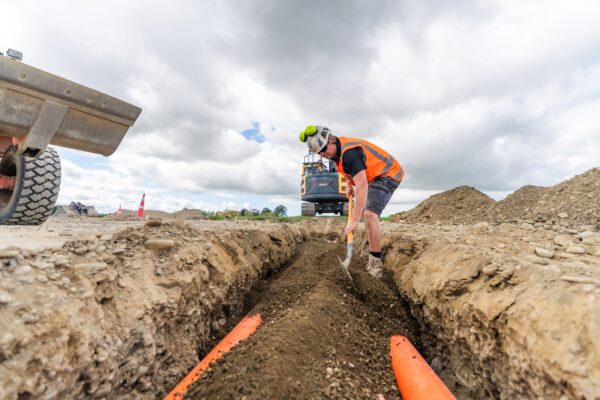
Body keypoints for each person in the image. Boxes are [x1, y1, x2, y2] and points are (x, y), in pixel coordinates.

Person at [299, 125, 404, 278]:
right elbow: (346, 170)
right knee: (367, 214)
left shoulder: (350, 153)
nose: (323, 155)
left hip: (388, 173)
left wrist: (354, 221)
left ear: (332, 140)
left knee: (369, 214)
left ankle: (376, 265)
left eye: (323, 149)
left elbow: (362, 186)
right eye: (319, 153)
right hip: (372, 176)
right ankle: (369, 248)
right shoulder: (335, 156)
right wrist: (349, 184)